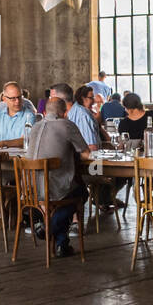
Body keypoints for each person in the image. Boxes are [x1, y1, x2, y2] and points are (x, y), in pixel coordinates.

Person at [25, 97, 91, 258]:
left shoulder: (35, 127)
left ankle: (62, 244)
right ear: (64, 112)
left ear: (45, 112)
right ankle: (49, 228)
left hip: (30, 189)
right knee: (81, 193)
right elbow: (85, 153)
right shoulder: (67, 124)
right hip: (53, 188)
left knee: (64, 196)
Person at [0, 82, 37, 147]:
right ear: (4, 99)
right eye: (13, 98)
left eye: (19, 97)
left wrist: (4, 143)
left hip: (19, 156)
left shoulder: (29, 116)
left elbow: (25, 140)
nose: (17, 101)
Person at [50, 83, 99, 148]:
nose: (49, 101)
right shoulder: (62, 115)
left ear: (61, 99)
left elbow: (92, 148)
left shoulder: (82, 116)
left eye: (51, 98)